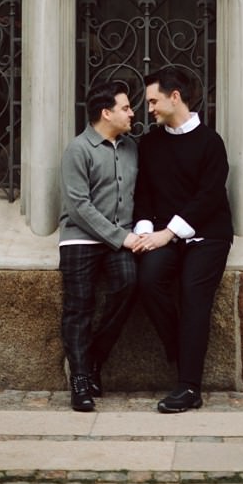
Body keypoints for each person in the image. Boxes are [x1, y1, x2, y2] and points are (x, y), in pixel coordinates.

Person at [132, 63, 234, 414]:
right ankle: (180, 344)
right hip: (162, 234)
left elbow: (208, 197)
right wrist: (146, 234)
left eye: (153, 101)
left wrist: (168, 233)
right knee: (148, 279)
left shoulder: (211, 142)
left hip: (208, 234)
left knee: (193, 292)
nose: (149, 109)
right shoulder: (149, 144)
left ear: (175, 97)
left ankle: (189, 387)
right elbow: (142, 192)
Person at [58, 80, 143, 412]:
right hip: (80, 238)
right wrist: (121, 237)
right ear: (106, 113)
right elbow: (79, 205)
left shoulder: (132, 147)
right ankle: (80, 380)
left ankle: (93, 356)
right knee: (79, 307)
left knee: (128, 284)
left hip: (119, 239)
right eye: (125, 107)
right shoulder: (78, 150)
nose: (132, 113)